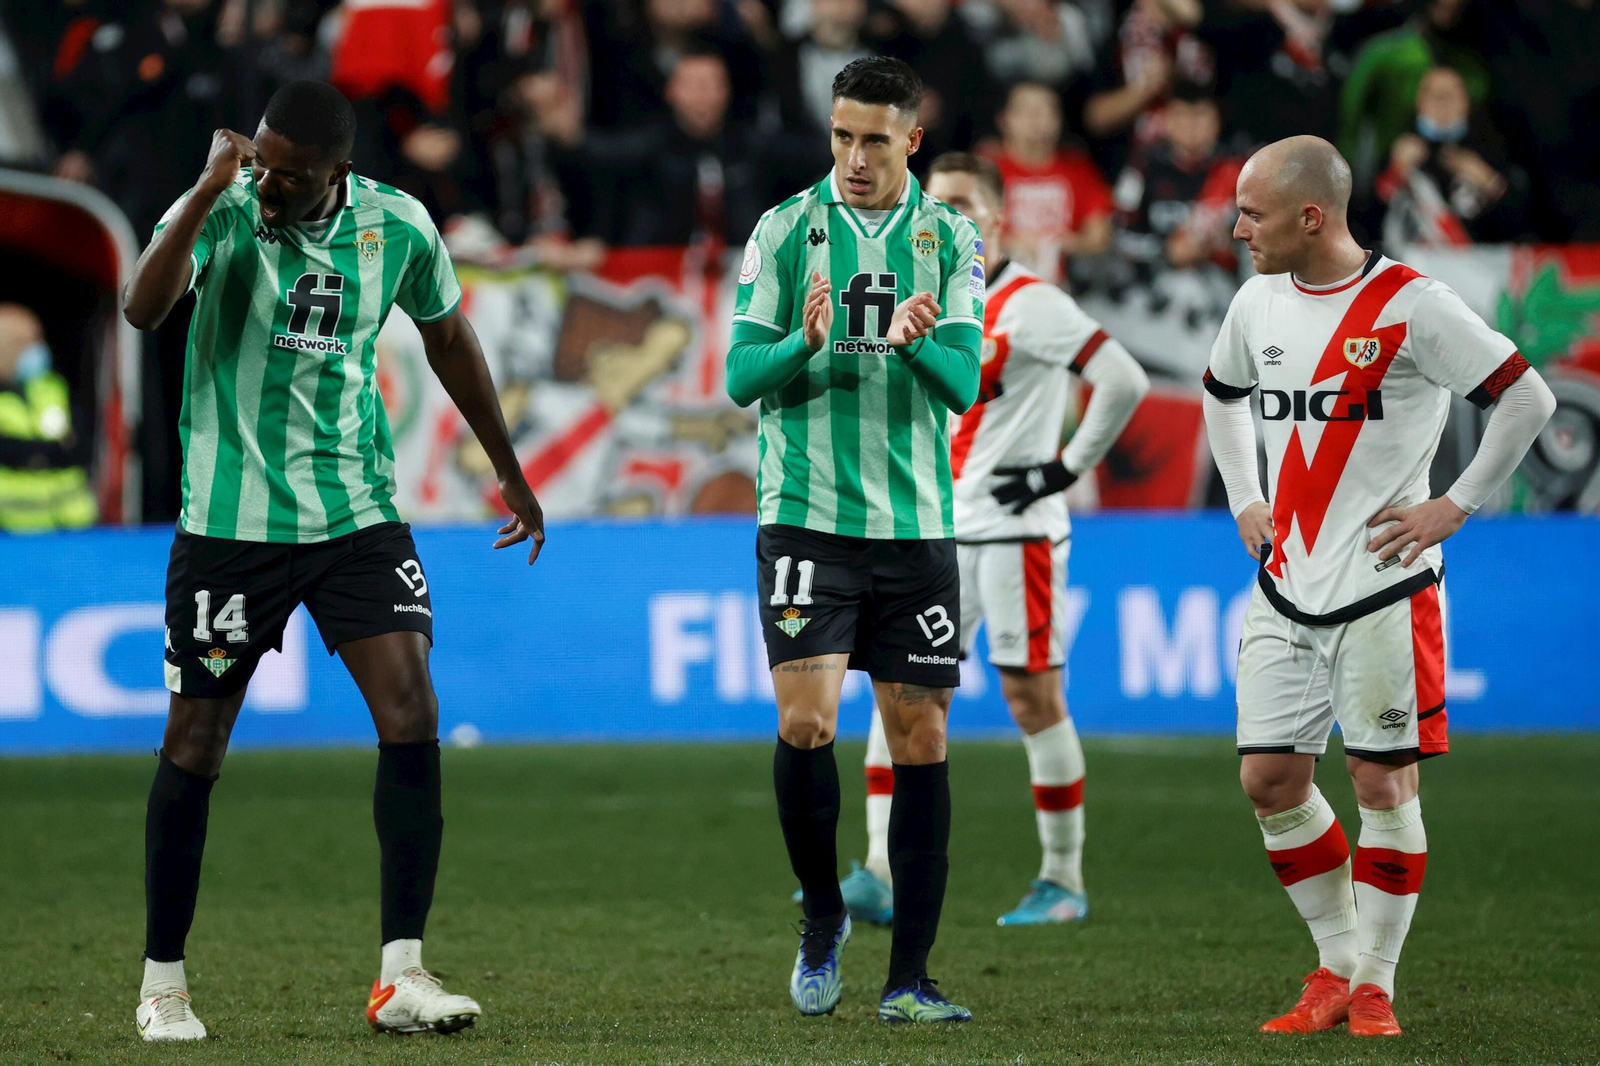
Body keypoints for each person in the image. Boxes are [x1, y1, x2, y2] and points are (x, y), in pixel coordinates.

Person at [120, 80, 546, 1042]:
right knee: (196, 743)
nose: (269, 187)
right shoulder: (224, 208)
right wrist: (205, 190)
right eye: (263, 165)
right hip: (230, 528)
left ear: (338, 175)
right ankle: (163, 984)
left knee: (412, 711)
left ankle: (402, 976)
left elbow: (449, 338)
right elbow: (144, 309)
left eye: (290, 177)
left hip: (355, 514)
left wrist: (510, 472)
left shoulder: (396, 226)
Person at [1202, 136, 1555, 1038]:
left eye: (1254, 212)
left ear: (1311, 217)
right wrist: (1245, 496)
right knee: (1270, 779)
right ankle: (1333, 965)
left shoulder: (1412, 306)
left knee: (1381, 783)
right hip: (1286, 581)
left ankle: (1373, 984)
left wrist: (1457, 504)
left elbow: (1529, 398)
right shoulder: (1255, 302)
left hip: (1384, 587)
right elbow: (1222, 392)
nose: (1237, 227)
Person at [725, 56, 982, 1024]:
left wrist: (918, 340)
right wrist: (804, 339)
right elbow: (741, 375)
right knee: (806, 726)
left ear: (911, 139)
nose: (854, 156)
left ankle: (909, 974)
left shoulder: (949, 237)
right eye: (841, 135)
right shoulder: (786, 229)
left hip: (914, 524)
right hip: (806, 515)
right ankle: (824, 914)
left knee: (920, 734)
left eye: (874, 138)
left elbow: (961, 386)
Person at [842, 151, 1148, 928]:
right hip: (934, 535)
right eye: (933, 204)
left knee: (1031, 696)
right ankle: (877, 871)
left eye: (961, 204)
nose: (945, 218)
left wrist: (1062, 469)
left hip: (1017, 536)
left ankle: (1063, 880)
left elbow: (1124, 379)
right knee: (903, 697)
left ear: (996, 218)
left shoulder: (1031, 304)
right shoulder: (920, 306)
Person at [1374, 67, 1528, 247]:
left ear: (1466, 101)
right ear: (1419, 101)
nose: (1443, 102)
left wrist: (1488, 181)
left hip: (1479, 268)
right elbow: (1367, 225)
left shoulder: (1493, 147)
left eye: (1451, 93)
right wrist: (1396, 171)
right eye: (1434, 94)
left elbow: (1523, 225)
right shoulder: (1398, 148)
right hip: (1414, 267)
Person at [983, 81, 1113, 286]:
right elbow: (960, 232)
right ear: (1004, 119)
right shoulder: (983, 170)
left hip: (1063, 288)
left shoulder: (1077, 168)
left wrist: (1062, 244)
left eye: (1047, 110)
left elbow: (1099, 237)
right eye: (1027, 110)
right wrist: (1011, 244)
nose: (1038, 119)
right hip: (992, 286)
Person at [0, 303, 96, 531]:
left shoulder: (54, 387)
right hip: (13, 533)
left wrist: (32, 454)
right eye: (26, 343)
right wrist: (50, 450)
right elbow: (9, 451)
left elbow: (80, 448)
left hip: (74, 528)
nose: (37, 349)